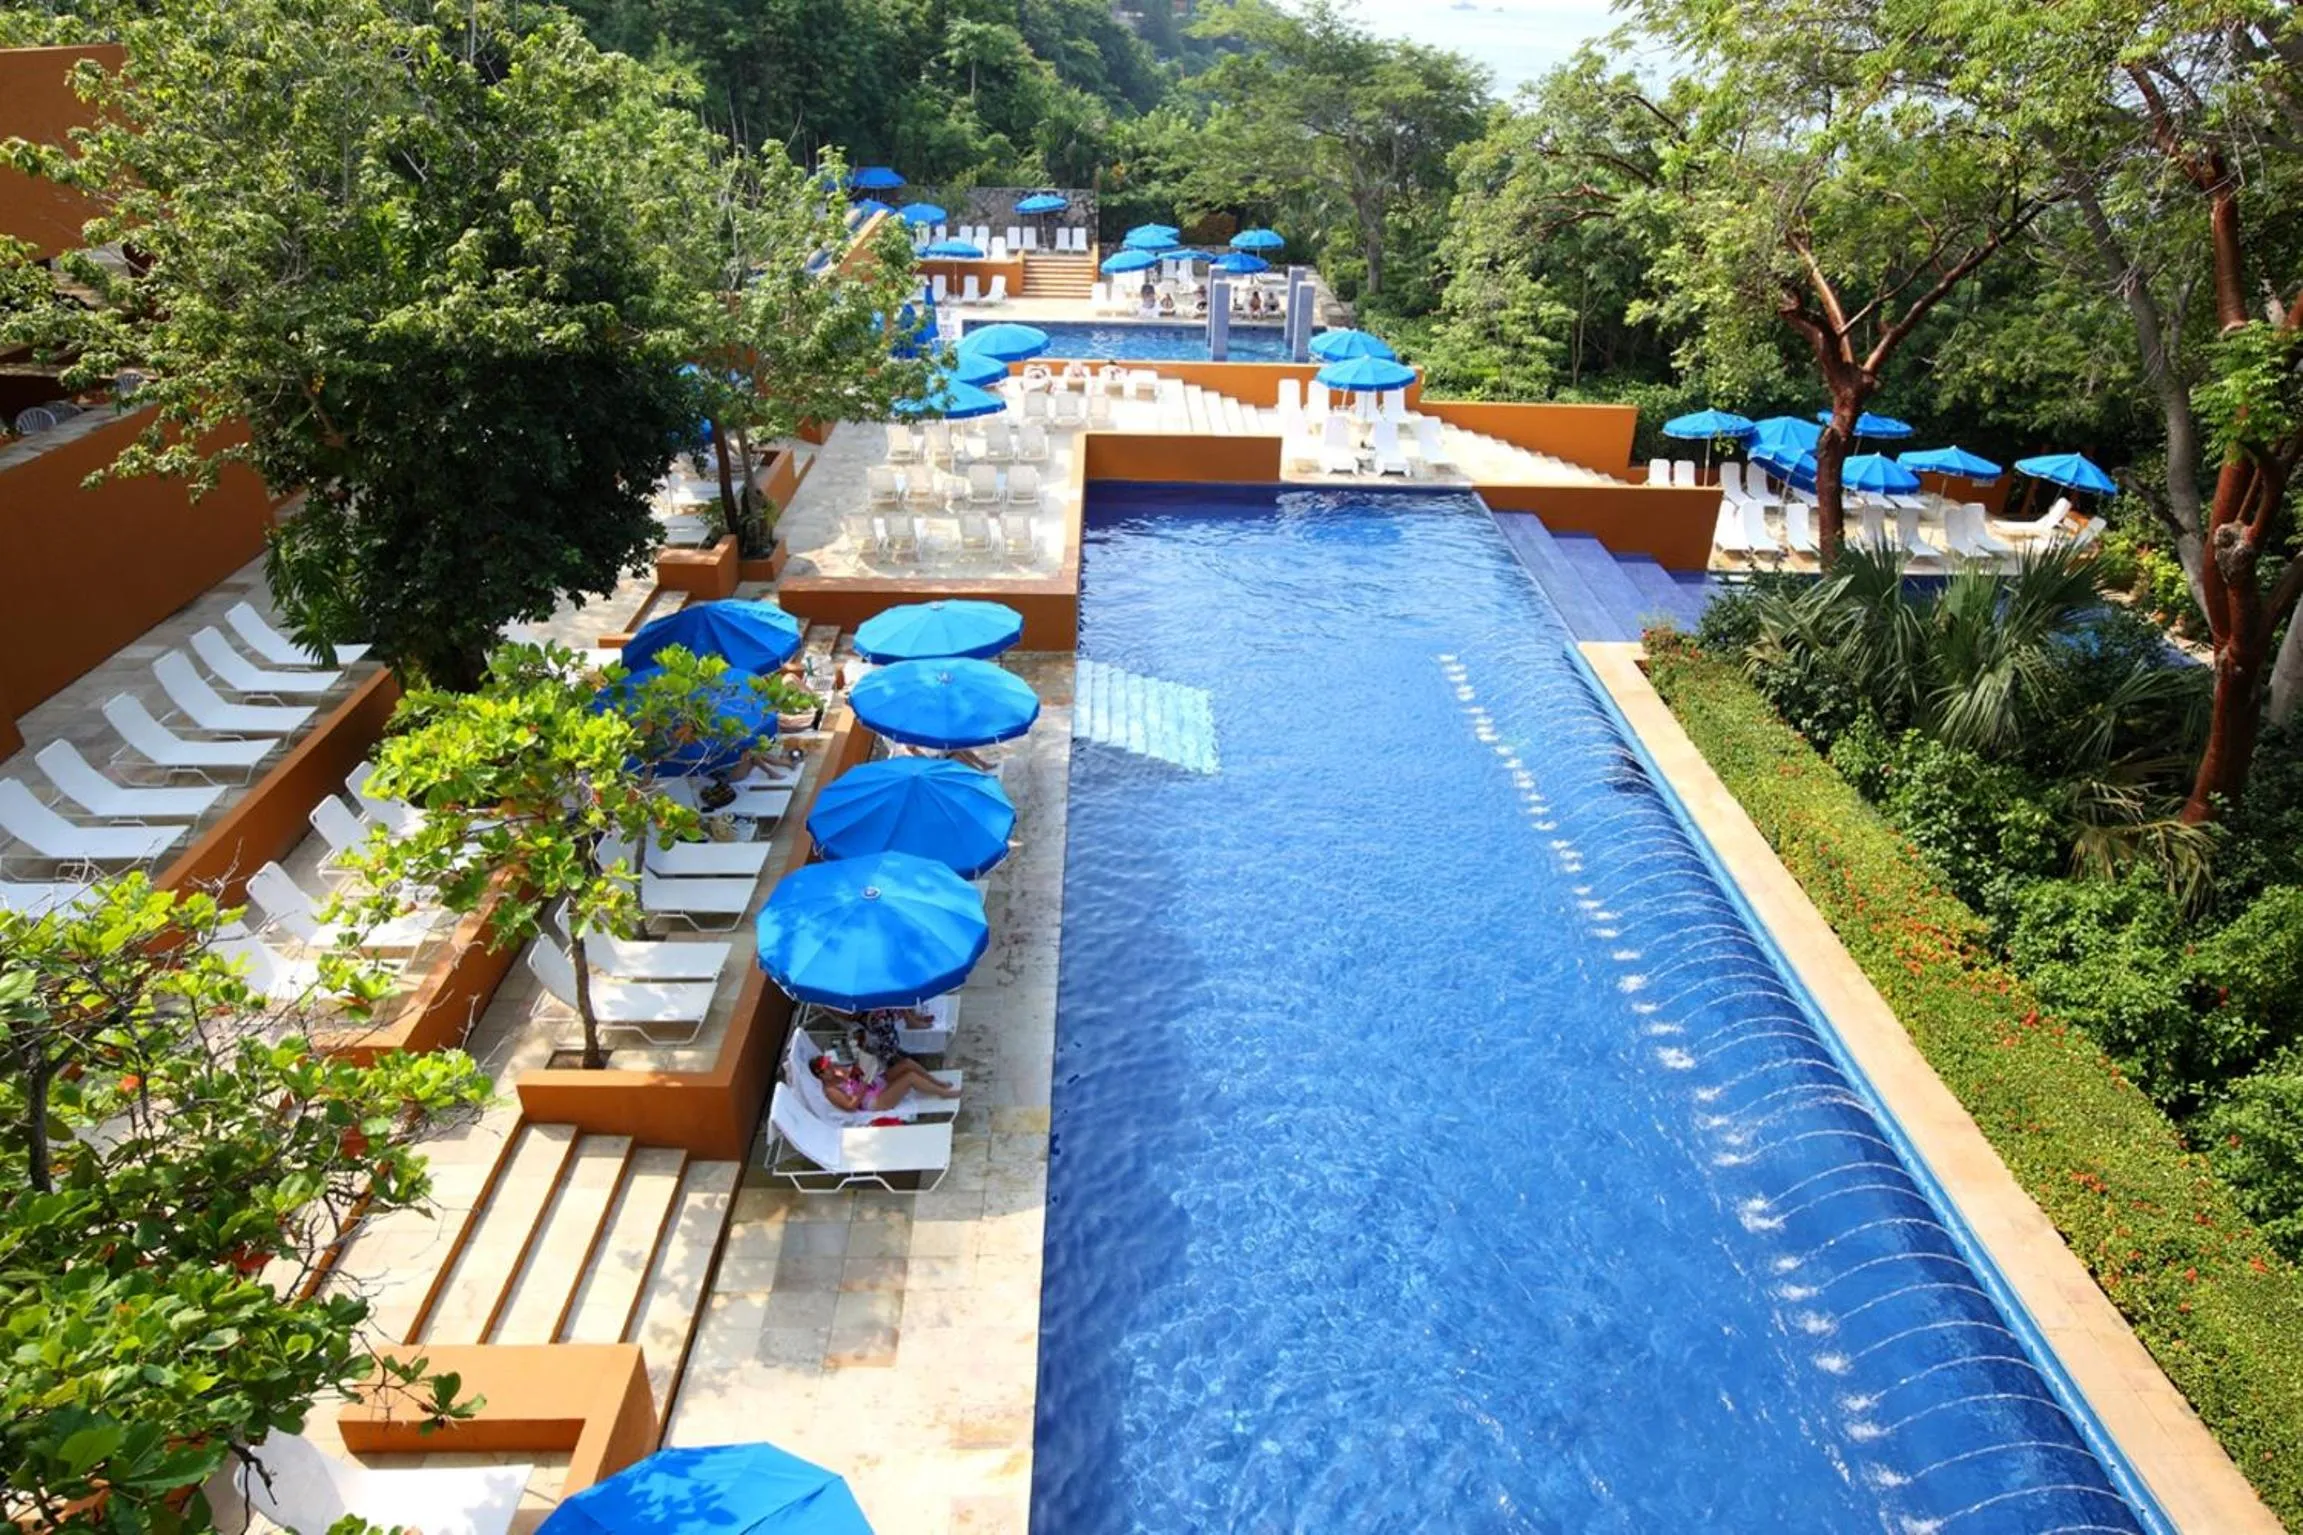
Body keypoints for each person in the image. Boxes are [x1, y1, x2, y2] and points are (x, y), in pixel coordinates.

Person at [810, 1051, 958, 1113]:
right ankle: (943, 1093)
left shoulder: (837, 1071)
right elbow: (851, 1106)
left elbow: (854, 1073)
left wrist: (860, 1069)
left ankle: (937, 1083)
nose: (831, 1067)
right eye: (827, 1068)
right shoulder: (831, 1090)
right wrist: (863, 1085)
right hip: (874, 1100)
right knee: (910, 1077)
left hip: (875, 1083)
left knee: (907, 1063)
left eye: (830, 1064)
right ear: (821, 1075)